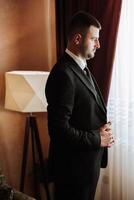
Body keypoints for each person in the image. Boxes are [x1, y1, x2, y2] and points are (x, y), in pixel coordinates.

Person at [45, 11, 114, 200]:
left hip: (86, 167)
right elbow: (58, 131)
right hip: (72, 172)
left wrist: (101, 130)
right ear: (77, 38)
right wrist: (97, 139)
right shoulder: (63, 74)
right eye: (94, 39)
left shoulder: (81, 66)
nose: (99, 45)